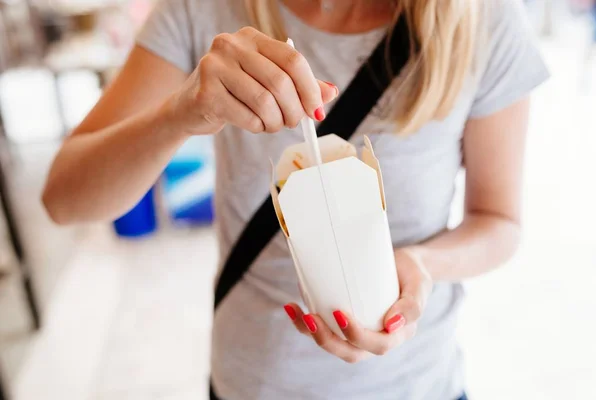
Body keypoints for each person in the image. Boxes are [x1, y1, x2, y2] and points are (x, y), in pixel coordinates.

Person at [42, 0, 549, 399]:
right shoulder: (202, 9)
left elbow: (498, 220)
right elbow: (65, 199)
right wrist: (177, 114)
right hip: (254, 382)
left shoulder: (485, 19)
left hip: (416, 384)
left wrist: (420, 262)